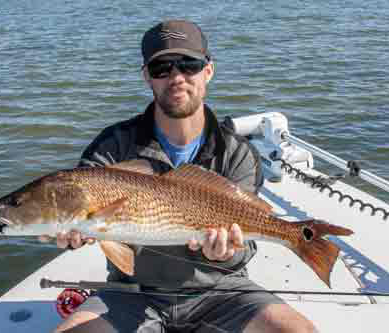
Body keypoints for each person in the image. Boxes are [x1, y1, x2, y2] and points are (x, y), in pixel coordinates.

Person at [50, 20, 317, 333]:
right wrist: (71, 237)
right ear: (147, 76)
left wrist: (226, 254)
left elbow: (246, 243)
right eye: (162, 67)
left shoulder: (238, 152)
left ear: (208, 71)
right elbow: (83, 211)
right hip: (132, 292)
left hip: (222, 291)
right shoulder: (111, 146)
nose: (176, 77)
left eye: (189, 65)